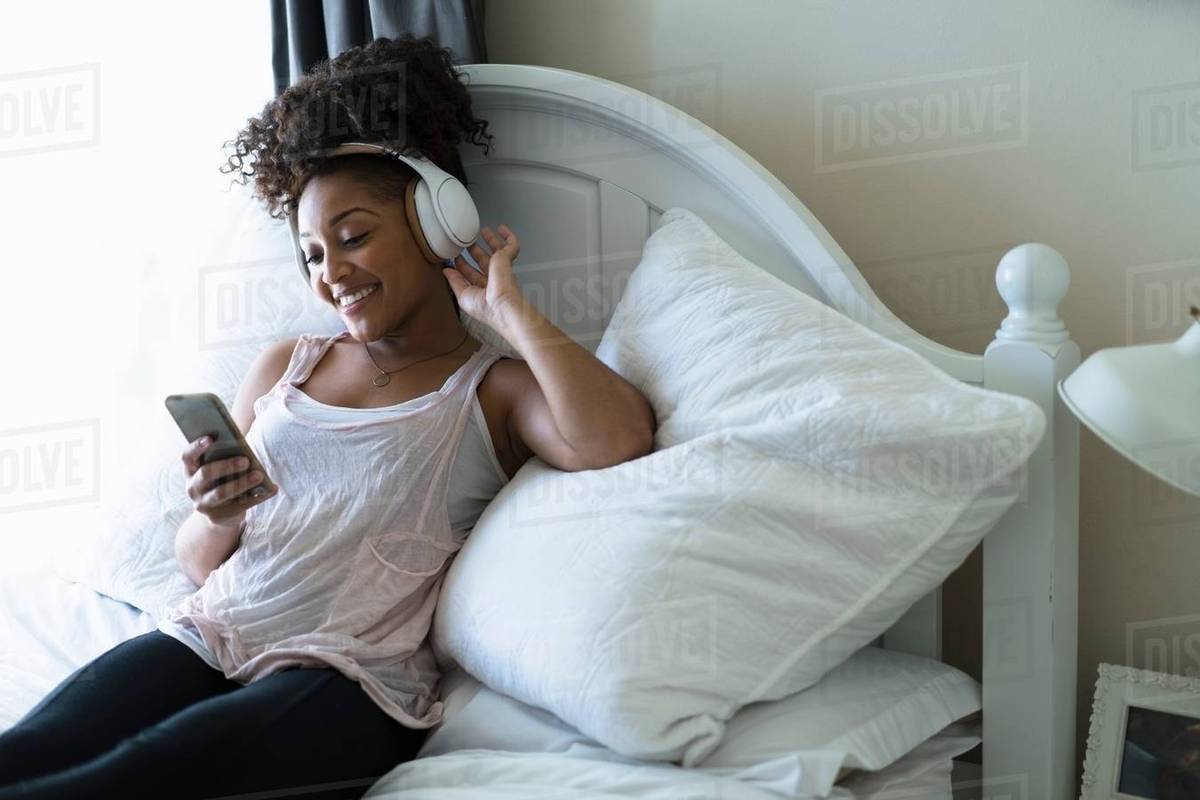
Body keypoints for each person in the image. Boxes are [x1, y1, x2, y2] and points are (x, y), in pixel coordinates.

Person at [0, 34, 656, 800]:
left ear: (436, 224)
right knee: (25, 754)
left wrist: (510, 311)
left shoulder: (491, 390)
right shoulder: (286, 366)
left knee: (133, 777)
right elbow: (199, 565)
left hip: (344, 680)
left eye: (354, 238)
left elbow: (618, 438)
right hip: (209, 634)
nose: (331, 274)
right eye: (312, 254)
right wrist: (216, 512)